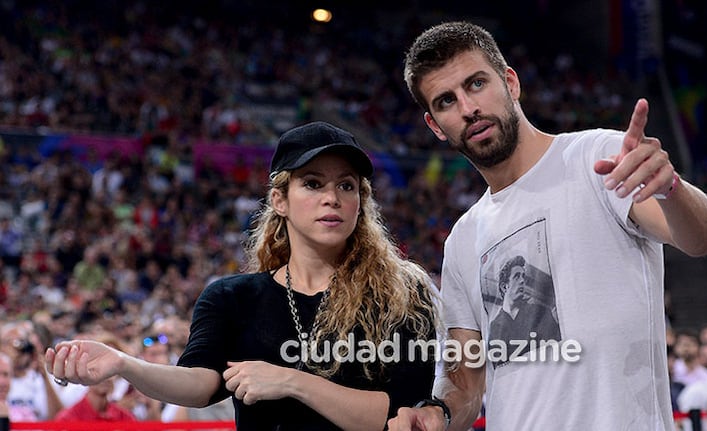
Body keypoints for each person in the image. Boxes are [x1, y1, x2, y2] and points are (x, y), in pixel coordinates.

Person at [388, 21, 707, 430]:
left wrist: (671, 187)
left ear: (510, 83)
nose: (467, 108)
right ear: (436, 126)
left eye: (476, 84)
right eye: (445, 101)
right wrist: (435, 412)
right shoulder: (462, 239)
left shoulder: (595, 157)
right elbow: (466, 382)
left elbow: (703, 238)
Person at [45, 121, 440, 430]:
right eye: (313, 183)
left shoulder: (402, 294)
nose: (332, 197)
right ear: (280, 200)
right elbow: (200, 384)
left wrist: (291, 382)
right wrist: (124, 363)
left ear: (360, 203)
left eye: (346, 185)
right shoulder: (232, 297)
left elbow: (400, 415)